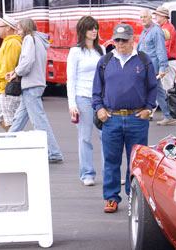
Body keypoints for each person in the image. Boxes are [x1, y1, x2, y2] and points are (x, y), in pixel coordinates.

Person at [92, 23, 157, 213]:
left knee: (135, 162)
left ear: (132, 40)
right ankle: (112, 198)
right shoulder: (105, 62)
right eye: (117, 40)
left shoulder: (144, 61)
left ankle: (133, 196)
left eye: (124, 40)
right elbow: (96, 91)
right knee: (111, 160)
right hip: (111, 119)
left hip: (137, 119)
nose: (120, 43)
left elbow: (153, 88)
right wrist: (99, 109)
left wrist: (148, 109)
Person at [6, 18, 63, 163]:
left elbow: (27, 61)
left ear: (25, 28)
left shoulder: (28, 39)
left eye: (19, 29)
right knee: (19, 119)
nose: (17, 33)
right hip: (36, 84)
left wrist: (16, 72)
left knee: (39, 121)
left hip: (31, 85)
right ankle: (7, 144)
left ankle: (54, 152)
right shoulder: (39, 41)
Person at [66, 16, 104, 186]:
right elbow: (71, 79)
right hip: (82, 97)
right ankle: (87, 174)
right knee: (85, 137)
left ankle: (109, 173)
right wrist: (71, 104)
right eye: (90, 28)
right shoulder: (75, 52)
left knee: (107, 136)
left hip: (101, 98)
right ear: (83, 31)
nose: (94, 31)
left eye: (95, 28)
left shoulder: (101, 49)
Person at [137, 9, 173, 126]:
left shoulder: (156, 31)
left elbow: (160, 50)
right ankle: (168, 115)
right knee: (158, 92)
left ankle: (149, 114)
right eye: (141, 17)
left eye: (144, 17)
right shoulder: (145, 31)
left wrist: (163, 67)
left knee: (148, 90)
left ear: (150, 17)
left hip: (153, 68)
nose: (142, 19)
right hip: (145, 67)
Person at [0, 16, 22, 131]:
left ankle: (16, 141)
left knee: (9, 120)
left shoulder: (12, 43)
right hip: (4, 88)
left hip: (8, 88)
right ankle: (14, 138)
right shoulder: (8, 42)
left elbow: (8, 67)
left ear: (8, 28)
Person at [154, 6, 176, 94]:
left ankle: (170, 107)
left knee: (167, 90)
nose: (155, 17)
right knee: (170, 89)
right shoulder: (166, 27)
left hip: (168, 62)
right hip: (169, 62)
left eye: (157, 15)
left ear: (163, 16)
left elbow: (165, 50)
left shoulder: (167, 29)